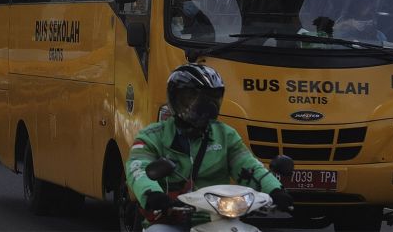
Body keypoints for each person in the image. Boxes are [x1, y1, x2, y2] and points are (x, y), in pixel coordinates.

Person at [125, 64, 293, 230]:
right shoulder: (151, 137)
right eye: (192, 97)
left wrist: (275, 190)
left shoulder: (226, 135)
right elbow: (137, 169)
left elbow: (249, 165)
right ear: (175, 99)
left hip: (220, 217)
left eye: (211, 98)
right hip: (171, 217)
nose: (203, 104)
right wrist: (152, 194)